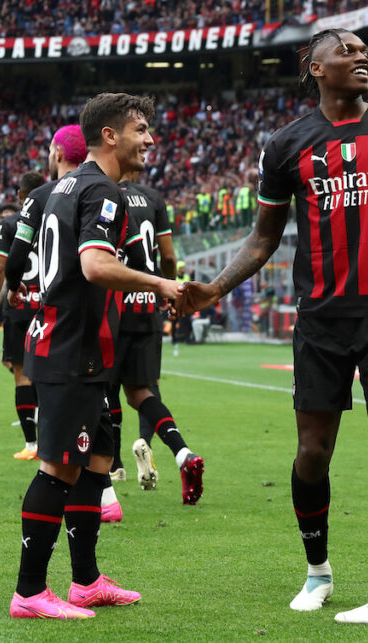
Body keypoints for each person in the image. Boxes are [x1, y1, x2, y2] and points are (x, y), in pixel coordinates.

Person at [173, 29, 368, 625]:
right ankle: (317, 573)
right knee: (313, 451)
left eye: (365, 52)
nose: (363, 58)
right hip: (319, 320)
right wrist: (215, 289)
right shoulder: (286, 145)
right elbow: (262, 238)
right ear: (314, 67)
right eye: (349, 51)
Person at [7, 93, 184, 619]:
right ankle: (30, 591)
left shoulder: (60, 186)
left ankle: (84, 581)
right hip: (71, 350)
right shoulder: (103, 191)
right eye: (140, 130)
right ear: (110, 135)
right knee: (59, 469)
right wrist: (160, 284)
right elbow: (93, 266)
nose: (150, 139)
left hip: (85, 347)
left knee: (97, 462)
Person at [113, 171, 204, 505]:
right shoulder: (153, 198)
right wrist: (167, 291)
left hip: (114, 304)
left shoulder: (102, 192)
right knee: (141, 391)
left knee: (102, 387)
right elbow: (167, 257)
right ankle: (182, 453)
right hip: (148, 304)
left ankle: (113, 468)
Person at [0, 169, 54, 460]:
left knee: (21, 377)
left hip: (19, 307)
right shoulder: (57, 217)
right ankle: (51, 440)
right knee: (50, 375)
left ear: (20, 196)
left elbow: (0, 269)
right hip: (49, 307)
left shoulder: (10, 223)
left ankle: (31, 446)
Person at [171, 261, 191, 355]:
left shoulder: (187, 277)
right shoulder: (174, 278)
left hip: (185, 303)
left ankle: (187, 339)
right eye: (182, 267)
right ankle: (174, 339)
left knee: (187, 321)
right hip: (175, 302)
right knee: (174, 321)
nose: (184, 269)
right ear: (179, 269)